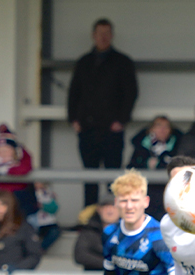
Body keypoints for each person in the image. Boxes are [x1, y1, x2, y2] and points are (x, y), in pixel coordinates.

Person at [67, 18, 137, 208]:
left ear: (112, 36)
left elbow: (131, 93)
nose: (103, 37)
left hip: (111, 130)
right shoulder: (84, 62)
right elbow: (74, 92)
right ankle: (88, 219)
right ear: (93, 36)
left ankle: (114, 220)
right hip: (87, 129)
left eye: (107, 33)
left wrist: (121, 121)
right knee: (88, 177)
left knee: (113, 179)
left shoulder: (123, 62)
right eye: (100, 34)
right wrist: (74, 119)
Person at [127, 115, 182, 219]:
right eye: (159, 126)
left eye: (166, 127)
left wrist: (161, 162)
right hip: (144, 194)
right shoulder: (141, 145)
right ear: (151, 129)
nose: (162, 130)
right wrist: (146, 164)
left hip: (167, 194)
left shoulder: (178, 145)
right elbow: (131, 167)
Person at [32, 182, 60, 250]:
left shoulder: (48, 193)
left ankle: (40, 249)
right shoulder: (29, 193)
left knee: (55, 231)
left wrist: (42, 206)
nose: (37, 184)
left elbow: (54, 208)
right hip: (32, 222)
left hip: (47, 222)